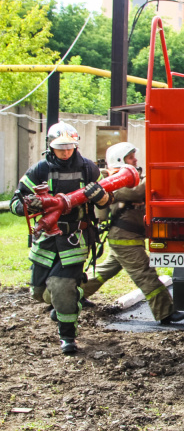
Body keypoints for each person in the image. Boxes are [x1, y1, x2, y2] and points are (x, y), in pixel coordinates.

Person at [10, 122, 110, 354]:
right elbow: (16, 203)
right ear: (50, 147)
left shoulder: (88, 168)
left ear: (76, 146)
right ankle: (68, 299)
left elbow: (107, 201)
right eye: (60, 148)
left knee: (61, 285)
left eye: (69, 147)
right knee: (38, 292)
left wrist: (101, 197)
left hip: (75, 237)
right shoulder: (39, 170)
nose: (65, 152)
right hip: (45, 238)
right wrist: (28, 205)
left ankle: (68, 336)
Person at [82, 143, 184, 324]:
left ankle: (72, 295)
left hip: (125, 237)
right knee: (145, 274)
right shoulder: (116, 180)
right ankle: (166, 312)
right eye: (131, 157)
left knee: (104, 272)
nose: (135, 160)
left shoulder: (127, 178)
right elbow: (138, 192)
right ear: (119, 160)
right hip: (125, 238)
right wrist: (157, 172)